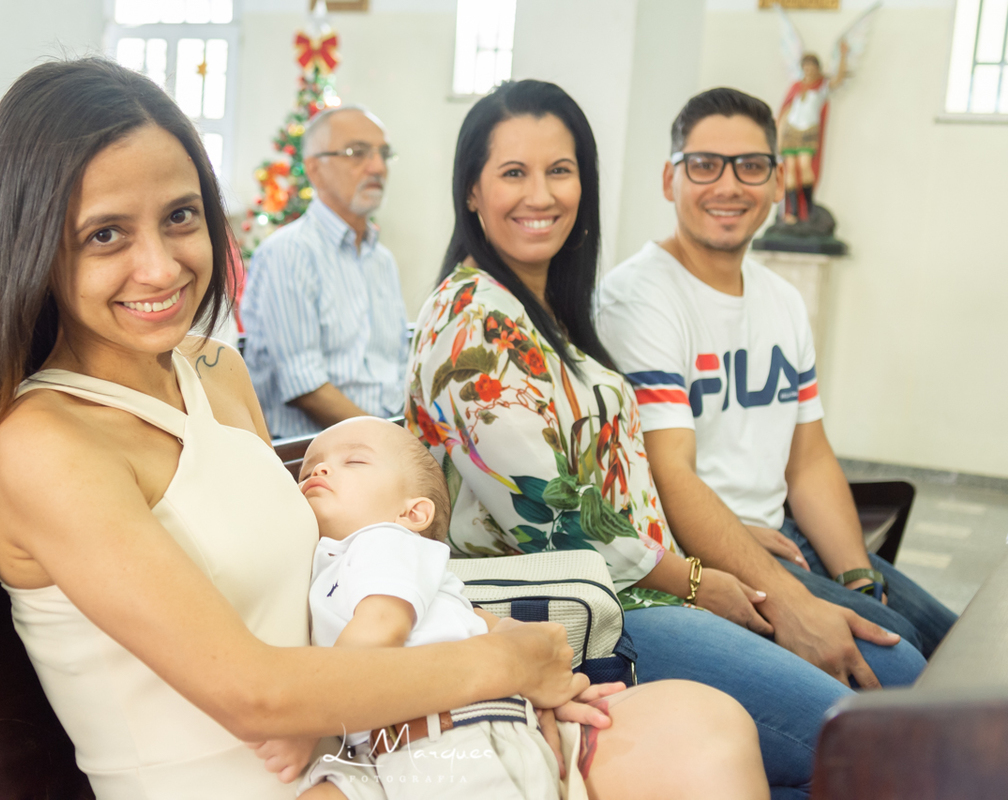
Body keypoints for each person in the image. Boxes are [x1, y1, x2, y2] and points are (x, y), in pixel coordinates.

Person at [0, 58, 744, 800]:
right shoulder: (43, 444)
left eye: (180, 217)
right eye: (106, 234)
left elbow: (333, 576)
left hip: (366, 754)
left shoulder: (214, 370)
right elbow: (253, 694)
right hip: (263, 783)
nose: (162, 265)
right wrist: (501, 662)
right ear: (32, 243)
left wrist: (482, 644)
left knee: (701, 732)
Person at [406, 79, 926, 800]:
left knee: (900, 681)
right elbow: (552, 513)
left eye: (560, 171)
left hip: (642, 585)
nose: (541, 195)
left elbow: (617, 469)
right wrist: (695, 578)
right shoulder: (474, 318)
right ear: (471, 190)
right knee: (870, 739)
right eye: (514, 173)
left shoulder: (545, 311)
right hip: (591, 614)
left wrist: (703, 544)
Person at [596, 88, 956, 666]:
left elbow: (807, 460)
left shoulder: (782, 300)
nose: (729, 185)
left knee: (959, 646)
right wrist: (780, 587)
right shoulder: (639, 299)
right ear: (670, 179)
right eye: (705, 164)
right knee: (901, 661)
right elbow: (668, 472)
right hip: (704, 554)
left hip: (781, 534)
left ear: (777, 181)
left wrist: (857, 574)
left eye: (751, 166)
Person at [250, 416, 766, 800]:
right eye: (309, 467)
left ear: (413, 512)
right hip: (390, 750)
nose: (318, 468)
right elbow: (490, 626)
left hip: (453, 739)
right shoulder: (342, 563)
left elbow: (378, 630)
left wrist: (308, 721)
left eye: (354, 461)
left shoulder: (383, 542)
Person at [242, 105, 408, 438]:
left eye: (383, 154)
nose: (378, 167)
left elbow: (399, 367)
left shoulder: (382, 260)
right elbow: (306, 388)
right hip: (311, 454)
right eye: (357, 153)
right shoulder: (288, 253)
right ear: (315, 170)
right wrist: (391, 441)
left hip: (388, 439)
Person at [777, 48, 845, 223]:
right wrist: (779, 132)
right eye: (805, 67)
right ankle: (793, 212)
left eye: (811, 67)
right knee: (790, 168)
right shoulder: (796, 87)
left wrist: (843, 55)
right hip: (791, 131)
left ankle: (808, 208)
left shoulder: (821, 86)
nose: (808, 71)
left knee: (804, 165)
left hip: (808, 131)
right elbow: (786, 110)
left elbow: (838, 79)